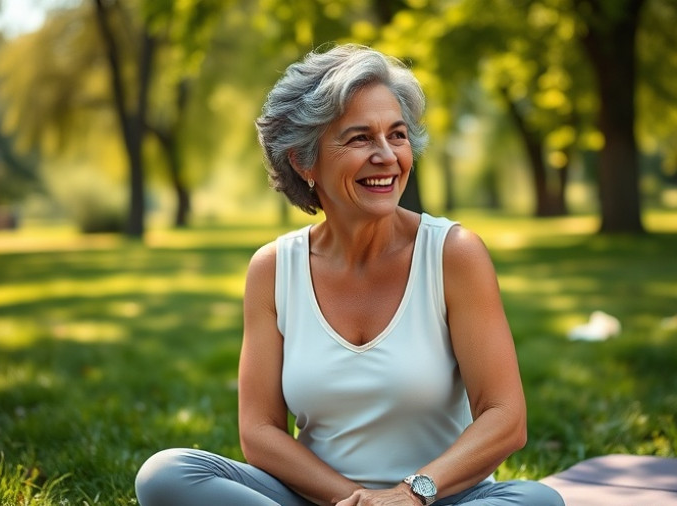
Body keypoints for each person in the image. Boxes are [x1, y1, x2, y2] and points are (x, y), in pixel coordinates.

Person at [135, 44, 564, 506]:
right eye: (359, 138)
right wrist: (358, 501)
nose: (387, 156)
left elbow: (505, 417)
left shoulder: (453, 254)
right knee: (166, 474)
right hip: (319, 499)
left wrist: (409, 494)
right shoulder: (273, 269)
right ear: (304, 161)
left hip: (439, 499)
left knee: (537, 501)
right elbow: (259, 432)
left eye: (397, 135)